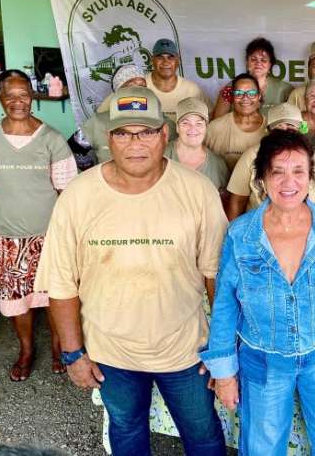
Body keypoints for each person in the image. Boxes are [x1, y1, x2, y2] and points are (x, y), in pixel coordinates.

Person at [35, 86, 227, 456]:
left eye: (146, 131)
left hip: (184, 351)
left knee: (203, 436)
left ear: (164, 134)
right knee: (126, 430)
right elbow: (60, 284)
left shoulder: (198, 191)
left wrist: (222, 349)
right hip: (111, 354)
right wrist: (74, 354)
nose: (135, 143)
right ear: (109, 138)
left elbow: (216, 275)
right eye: (123, 132)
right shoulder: (78, 196)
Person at [200, 129, 315, 456]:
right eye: (277, 171)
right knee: (261, 448)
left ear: (310, 178)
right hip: (262, 360)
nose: (288, 182)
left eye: (298, 172)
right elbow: (225, 306)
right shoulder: (242, 233)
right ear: (262, 178)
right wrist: (224, 373)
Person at [0, 69, 78, 381]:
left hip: (48, 236)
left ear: (33, 97)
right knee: (17, 300)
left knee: (54, 296)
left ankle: (58, 347)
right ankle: (26, 350)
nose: (17, 101)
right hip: (7, 237)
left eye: (24, 94)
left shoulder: (51, 138)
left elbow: (68, 191)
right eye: (10, 95)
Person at [226, 102, 315, 220]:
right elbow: (237, 202)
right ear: (268, 130)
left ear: (301, 129)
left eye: (291, 127)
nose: (285, 133)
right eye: (279, 128)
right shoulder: (251, 156)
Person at [81, 64, 176, 164]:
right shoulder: (98, 122)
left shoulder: (161, 120)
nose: (138, 90)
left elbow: (181, 149)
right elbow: (75, 149)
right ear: (118, 92)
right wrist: (95, 174)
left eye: (143, 86)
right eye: (130, 86)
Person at [213, 37, 294, 118]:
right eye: (253, 59)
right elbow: (218, 122)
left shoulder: (285, 89)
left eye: (263, 60)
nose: (258, 63)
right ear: (247, 63)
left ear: (270, 65)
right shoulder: (230, 88)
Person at [165, 97, 229, 191]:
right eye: (185, 123)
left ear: (206, 127)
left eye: (199, 123)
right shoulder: (161, 156)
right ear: (177, 127)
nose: (192, 129)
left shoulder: (218, 165)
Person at [205, 73, 267, 171]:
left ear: (259, 96)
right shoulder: (214, 128)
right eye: (239, 93)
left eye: (251, 93)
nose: (245, 98)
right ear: (232, 97)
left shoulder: (271, 128)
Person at [145, 38, 211, 121]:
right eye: (160, 57)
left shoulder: (192, 89)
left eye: (170, 57)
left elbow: (209, 116)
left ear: (178, 61)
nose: (165, 62)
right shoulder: (140, 86)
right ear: (152, 60)